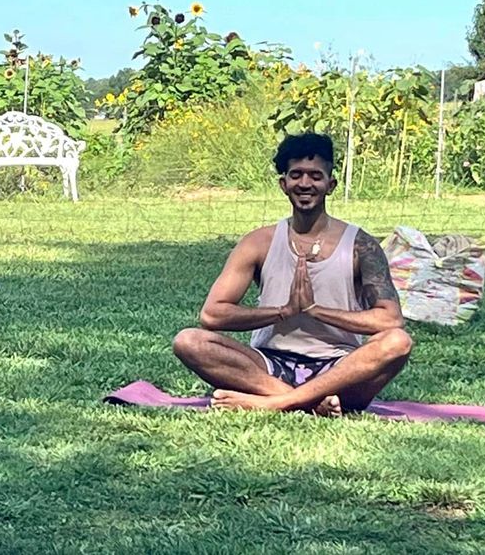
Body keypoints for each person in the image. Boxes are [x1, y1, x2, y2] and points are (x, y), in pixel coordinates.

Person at [172, 133, 412, 415]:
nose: (305, 184)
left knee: (398, 342)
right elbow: (212, 315)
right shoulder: (258, 242)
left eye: (315, 176)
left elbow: (390, 318)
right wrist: (284, 311)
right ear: (283, 184)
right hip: (269, 365)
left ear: (330, 185)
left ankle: (277, 403)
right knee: (189, 341)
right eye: (296, 175)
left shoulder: (361, 244)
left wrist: (316, 311)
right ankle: (309, 402)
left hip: (338, 368)